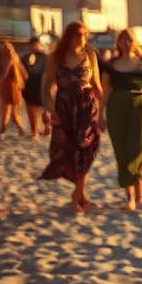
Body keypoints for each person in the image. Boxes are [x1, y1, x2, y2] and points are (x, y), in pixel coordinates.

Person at [40, 21, 102, 214]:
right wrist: (50, 110)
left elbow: (97, 86)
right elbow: (46, 88)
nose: (82, 39)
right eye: (78, 35)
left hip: (87, 108)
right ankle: (82, 196)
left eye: (85, 35)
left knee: (87, 150)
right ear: (69, 36)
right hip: (64, 109)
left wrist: (105, 110)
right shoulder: (56, 58)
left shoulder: (90, 56)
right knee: (67, 153)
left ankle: (76, 197)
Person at [101, 28, 142, 211]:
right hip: (116, 108)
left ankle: (138, 186)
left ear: (134, 42)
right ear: (118, 43)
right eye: (123, 40)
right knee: (121, 152)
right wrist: (99, 115)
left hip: (139, 107)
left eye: (129, 40)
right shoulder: (111, 64)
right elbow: (105, 92)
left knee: (136, 149)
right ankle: (130, 196)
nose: (126, 43)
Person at [21, 37, 50, 137]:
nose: (34, 47)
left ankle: (46, 125)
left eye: (36, 44)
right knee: (30, 108)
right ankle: (34, 131)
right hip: (29, 84)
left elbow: (50, 71)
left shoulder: (46, 57)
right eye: (32, 45)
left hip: (41, 83)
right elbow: (21, 70)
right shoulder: (25, 57)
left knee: (44, 108)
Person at [0, 41, 27, 136]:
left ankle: (3, 130)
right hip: (15, 85)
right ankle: (19, 130)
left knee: (8, 109)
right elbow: (25, 72)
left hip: (9, 85)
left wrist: (0, 83)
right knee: (13, 110)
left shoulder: (9, 57)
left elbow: (5, 71)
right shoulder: (15, 57)